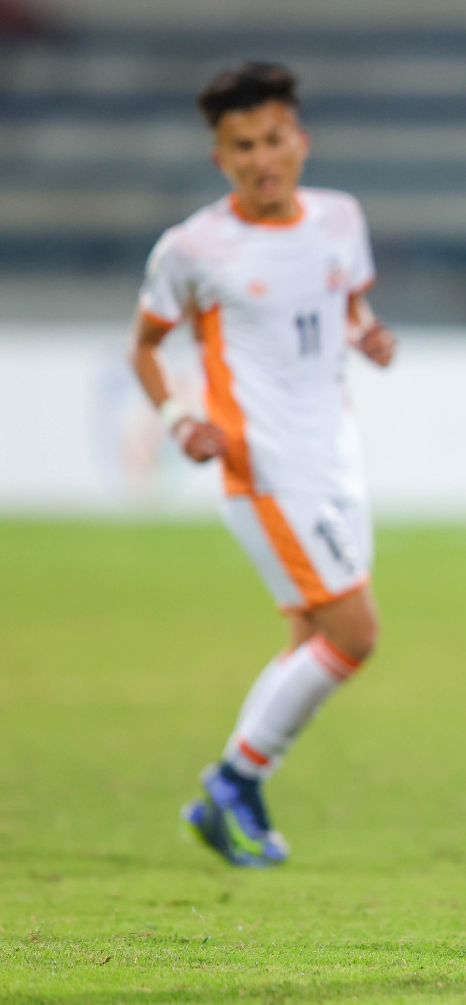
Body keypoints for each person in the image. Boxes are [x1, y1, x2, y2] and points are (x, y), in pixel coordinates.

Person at [130, 62, 396, 867]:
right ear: (221, 158)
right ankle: (233, 779)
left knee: (309, 636)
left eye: (273, 138)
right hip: (265, 466)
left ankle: (236, 788)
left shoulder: (340, 218)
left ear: (300, 141)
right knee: (354, 633)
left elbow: (347, 304)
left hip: (336, 454)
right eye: (241, 145)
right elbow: (145, 346)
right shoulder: (191, 248)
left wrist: (366, 333)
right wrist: (180, 419)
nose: (261, 157)